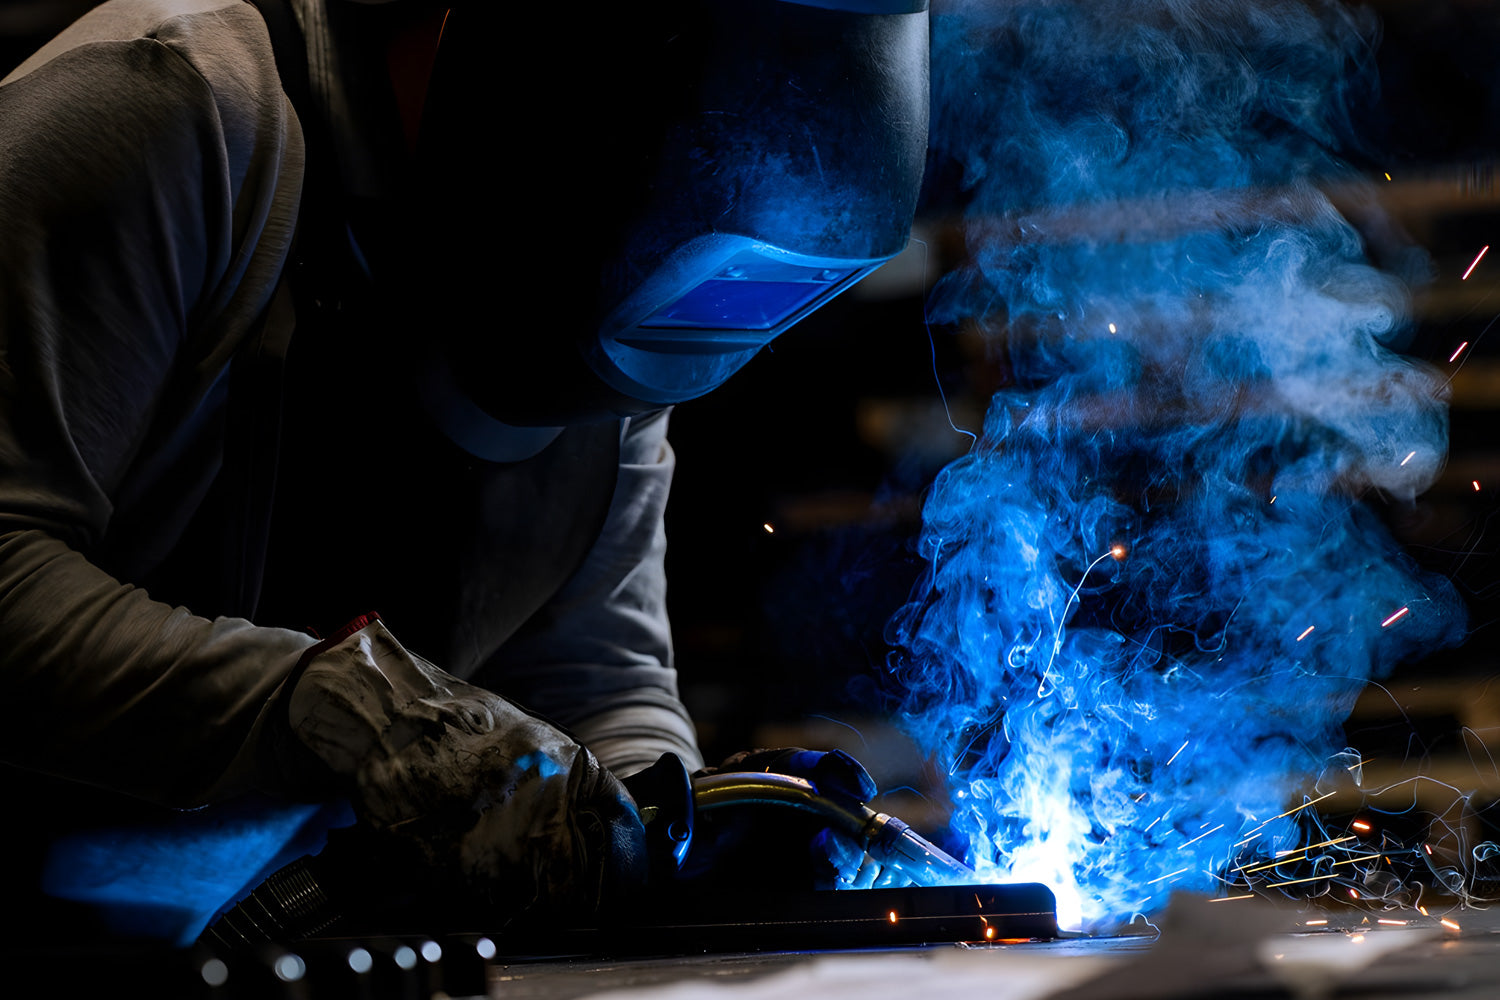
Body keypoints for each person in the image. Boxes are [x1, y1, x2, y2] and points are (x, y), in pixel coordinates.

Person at [0, 0, 928, 944]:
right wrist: (338, 710)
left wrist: (672, 839)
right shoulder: (174, 114)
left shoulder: (631, 271)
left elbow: (593, 679)